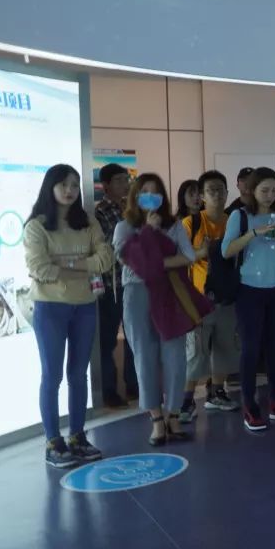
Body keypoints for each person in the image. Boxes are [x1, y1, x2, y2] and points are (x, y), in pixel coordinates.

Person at [24, 164, 114, 467]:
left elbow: (105, 259)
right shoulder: (36, 226)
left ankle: (77, 436)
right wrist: (84, 265)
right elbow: (40, 269)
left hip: (85, 305)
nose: (70, 190)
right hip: (50, 307)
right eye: (63, 184)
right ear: (50, 187)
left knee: (78, 374)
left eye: (74, 185)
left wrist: (65, 265)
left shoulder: (87, 222)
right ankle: (53, 441)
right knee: (52, 376)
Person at [113, 174, 196, 446]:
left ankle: (174, 414)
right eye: (145, 191)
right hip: (137, 295)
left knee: (175, 357)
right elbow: (135, 264)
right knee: (144, 357)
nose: (151, 196)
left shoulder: (174, 224)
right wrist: (149, 232)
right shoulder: (124, 227)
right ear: (136, 196)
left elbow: (188, 256)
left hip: (170, 294)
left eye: (156, 191)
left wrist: (156, 261)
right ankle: (157, 419)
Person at [222, 167, 275, 431]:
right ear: (252, 190)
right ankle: (249, 404)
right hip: (250, 290)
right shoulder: (241, 216)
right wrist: (253, 234)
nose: (270, 195)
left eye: (274, 190)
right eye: (264, 190)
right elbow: (226, 250)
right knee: (251, 348)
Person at [179, 171, 241, 419]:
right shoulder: (190, 223)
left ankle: (217, 393)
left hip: (228, 296)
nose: (216, 194)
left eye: (220, 189)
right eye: (210, 190)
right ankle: (186, 400)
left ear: (227, 193)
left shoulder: (234, 221)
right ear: (202, 196)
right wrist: (201, 252)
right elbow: (179, 257)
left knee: (225, 347)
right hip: (199, 299)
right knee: (196, 352)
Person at [94, 162, 137, 407]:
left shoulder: (132, 210)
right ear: (106, 185)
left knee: (134, 337)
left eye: (126, 179)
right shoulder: (99, 213)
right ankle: (109, 390)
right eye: (119, 180)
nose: (125, 184)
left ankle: (134, 385)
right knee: (108, 341)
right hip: (111, 284)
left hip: (134, 282)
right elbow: (104, 246)